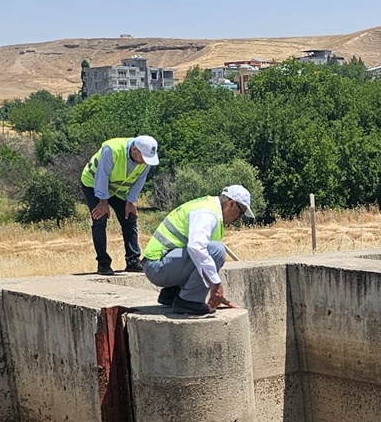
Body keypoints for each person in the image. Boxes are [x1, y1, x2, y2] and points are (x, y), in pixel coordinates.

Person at [142, 185, 255, 317]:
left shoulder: (209, 208)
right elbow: (196, 247)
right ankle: (188, 301)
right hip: (157, 267)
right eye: (240, 213)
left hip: (162, 264)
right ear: (231, 204)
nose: (238, 219)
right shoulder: (208, 213)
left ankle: (173, 293)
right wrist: (216, 283)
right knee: (217, 250)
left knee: (211, 251)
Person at [80, 135, 159, 275]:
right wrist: (103, 202)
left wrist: (130, 202)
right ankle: (103, 263)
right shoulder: (112, 150)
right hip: (94, 184)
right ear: (134, 149)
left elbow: (141, 179)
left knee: (129, 218)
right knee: (100, 218)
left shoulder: (145, 160)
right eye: (143, 157)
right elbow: (102, 176)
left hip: (117, 189)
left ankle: (133, 261)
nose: (145, 162)